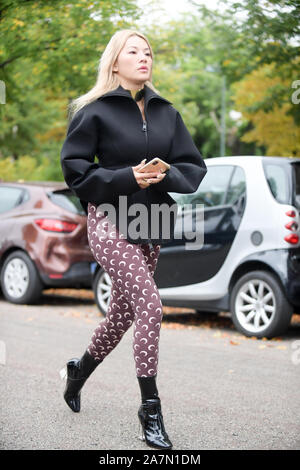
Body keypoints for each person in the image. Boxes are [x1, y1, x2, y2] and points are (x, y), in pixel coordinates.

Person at [60, 29, 207, 450]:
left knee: (123, 316)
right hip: (108, 217)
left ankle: (78, 370)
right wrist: (127, 176)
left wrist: (165, 173)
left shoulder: (166, 112)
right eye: (134, 51)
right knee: (151, 305)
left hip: (150, 217)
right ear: (115, 61)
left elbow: (191, 165)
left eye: (148, 52)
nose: (144, 57)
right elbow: (76, 171)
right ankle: (151, 411)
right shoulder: (94, 111)